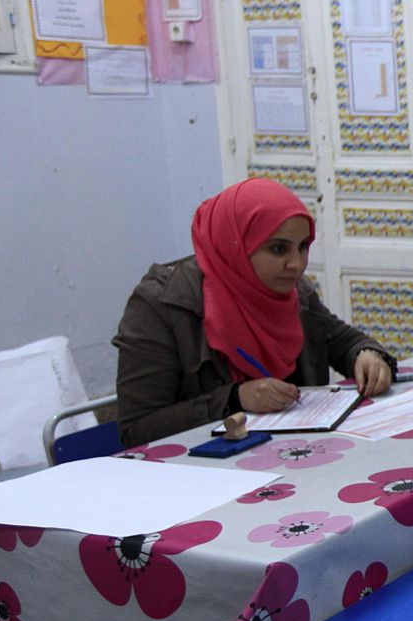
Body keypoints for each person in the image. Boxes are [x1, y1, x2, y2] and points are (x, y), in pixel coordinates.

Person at [114, 178, 395, 447]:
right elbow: (136, 430)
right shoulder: (161, 306)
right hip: (200, 478)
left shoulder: (291, 293)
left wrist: (366, 355)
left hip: (294, 462)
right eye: (278, 249)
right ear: (235, 243)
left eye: (303, 247)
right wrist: (235, 399)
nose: (296, 264)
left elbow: (343, 342)